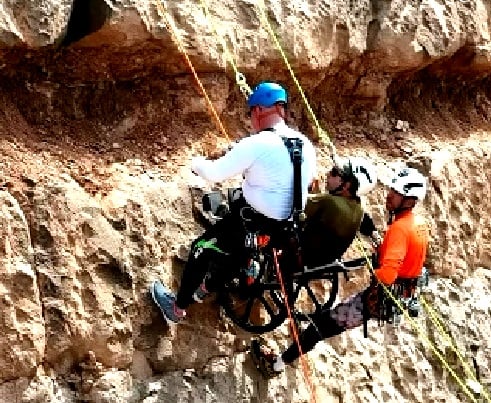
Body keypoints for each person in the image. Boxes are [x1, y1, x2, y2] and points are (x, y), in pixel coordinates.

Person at [150, 81, 317, 325]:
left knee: (202, 248)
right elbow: (305, 181)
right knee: (236, 251)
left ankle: (176, 308)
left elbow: (214, 173)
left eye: (251, 113)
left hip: (252, 223)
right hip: (285, 228)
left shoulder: (257, 143)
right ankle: (206, 288)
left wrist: (195, 162)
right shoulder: (304, 144)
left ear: (258, 110)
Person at [250, 167, 429, 378]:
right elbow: (409, 259)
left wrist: (377, 268)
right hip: (400, 296)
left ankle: (276, 366)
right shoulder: (418, 224)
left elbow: (388, 274)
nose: (389, 195)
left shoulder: (400, 228)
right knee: (324, 324)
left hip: (380, 298)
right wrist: (381, 250)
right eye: (392, 189)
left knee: (321, 327)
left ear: (409, 201)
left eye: (396, 193)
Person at [301, 156, 379, 269]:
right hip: (325, 261)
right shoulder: (359, 209)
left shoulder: (329, 202)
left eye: (334, 173)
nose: (328, 174)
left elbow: (296, 204)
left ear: (347, 185)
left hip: (301, 257)